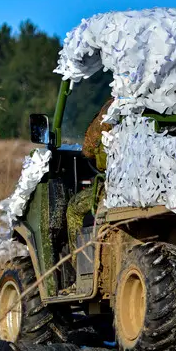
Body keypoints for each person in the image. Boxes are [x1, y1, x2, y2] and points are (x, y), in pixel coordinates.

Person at [65, 99, 112, 253]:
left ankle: (78, 262)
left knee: (73, 209)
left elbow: (88, 150)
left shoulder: (112, 107)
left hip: (116, 187)